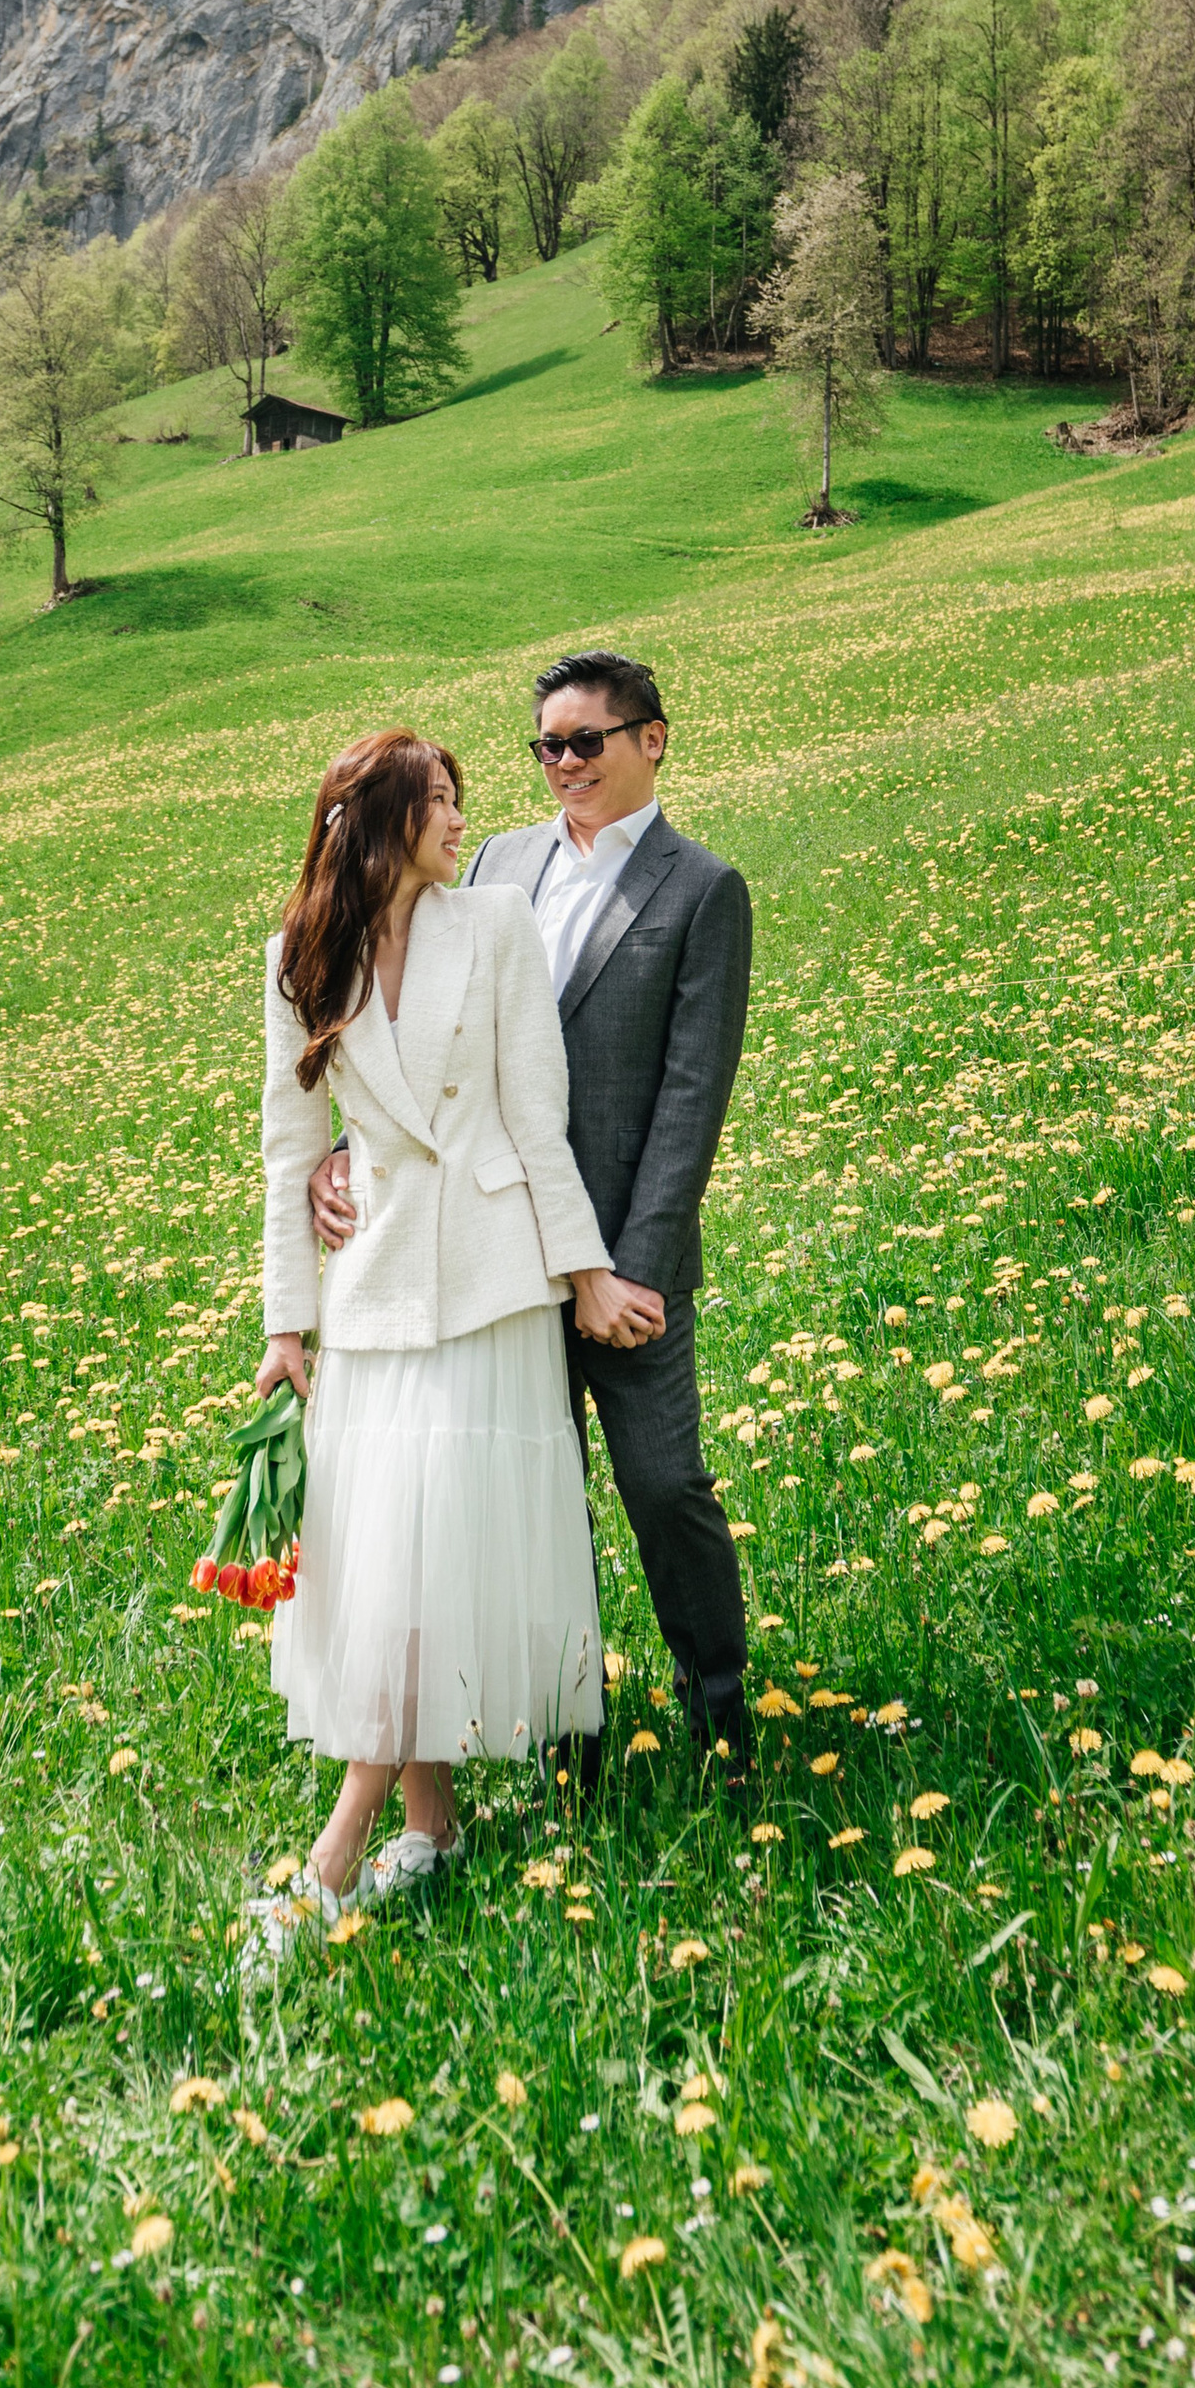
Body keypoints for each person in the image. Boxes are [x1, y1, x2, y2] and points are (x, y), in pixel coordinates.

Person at [310, 649, 754, 1781]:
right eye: (546, 746)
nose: (564, 765)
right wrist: (340, 1155)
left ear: (650, 740)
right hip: (491, 1262)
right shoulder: (495, 864)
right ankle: (563, 1738)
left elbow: (690, 1096)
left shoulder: (702, 890)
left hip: (622, 1260)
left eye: (585, 742)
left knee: (663, 1486)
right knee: (526, 1504)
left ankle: (719, 1711)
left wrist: (628, 1266)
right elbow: (395, 1022)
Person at [255, 726, 608, 1929]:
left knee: (434, 1551)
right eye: (445, 801)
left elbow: (536, 1117)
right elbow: (290, 1152)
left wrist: (588, 1274)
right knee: (387, 1555)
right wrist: (285, 1325)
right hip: (373, 1294)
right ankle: (431, 1826)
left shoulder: (497, 925)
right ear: (389, 817)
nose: (466, 822)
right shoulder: (298, 957)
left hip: (495, 1285)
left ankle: (333, 1862)